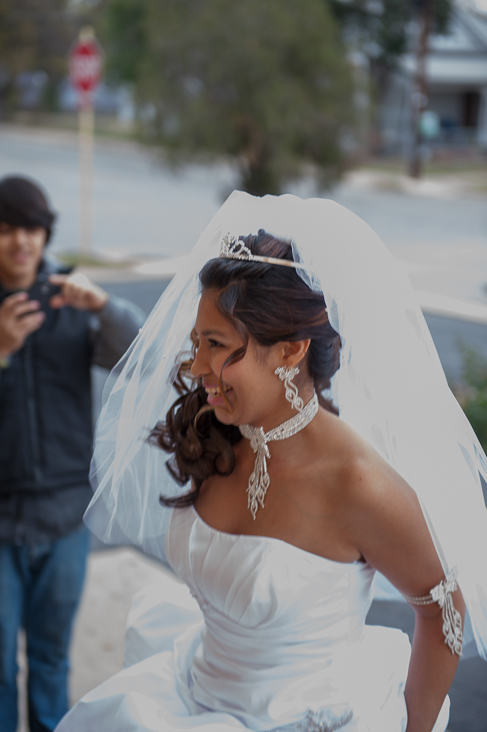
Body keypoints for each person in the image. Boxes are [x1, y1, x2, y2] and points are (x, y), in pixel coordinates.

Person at [55, 191, 487, 732]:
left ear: (290, 351)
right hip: (188, 696)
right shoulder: (223, 437)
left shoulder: (359, 484)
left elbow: (445, 609)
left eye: (216, 344)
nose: (195, 366)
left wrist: (416, 727)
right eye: (196, 341)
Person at [0, 175, 145, 732]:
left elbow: (139, 355)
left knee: (50, 662)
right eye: (7, 227)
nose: (20, 241)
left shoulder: (70, 296)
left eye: (31, 228)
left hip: (63, 516)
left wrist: (104, 305)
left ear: (44, 233)